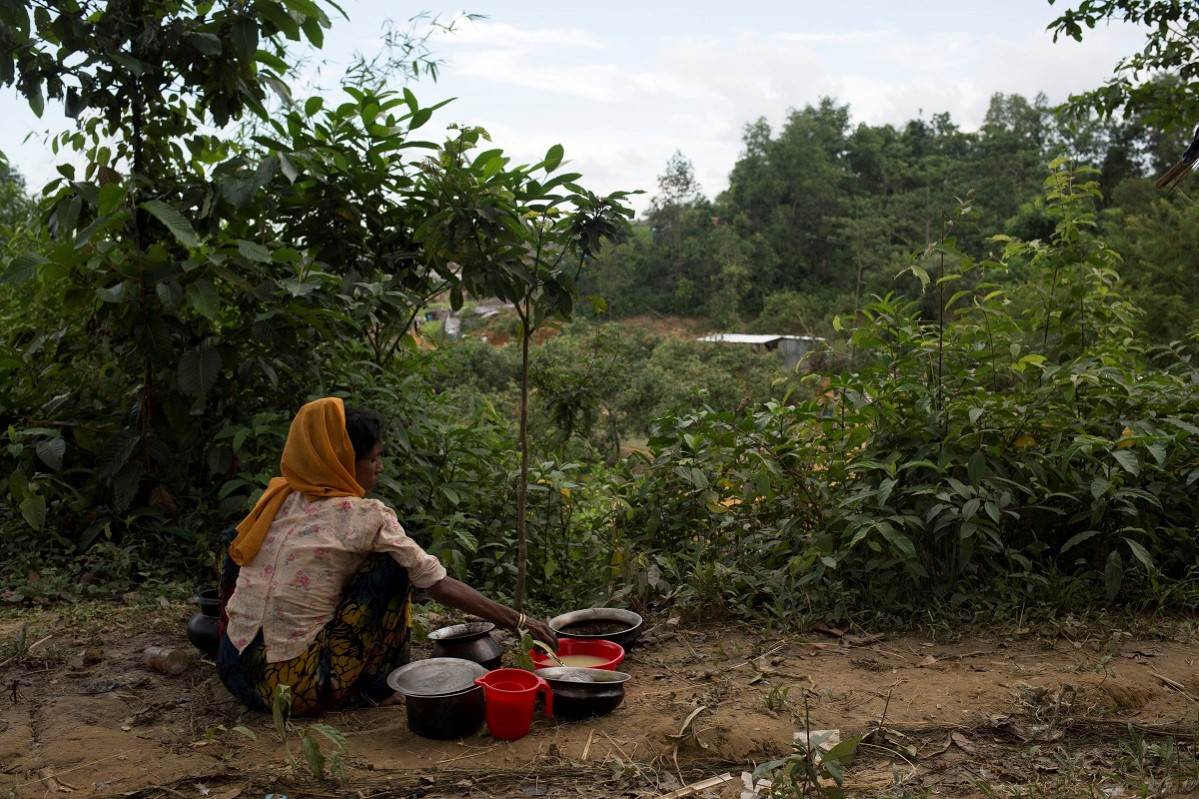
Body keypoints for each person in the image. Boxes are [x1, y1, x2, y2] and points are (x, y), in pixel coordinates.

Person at [216, 397, 557, 716]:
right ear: (343, 462)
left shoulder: (278, 498)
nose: (379, 467)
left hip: (234, 674)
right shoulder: (366, 515)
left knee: (237, 539)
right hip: (296, 691)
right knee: (394, 565)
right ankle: (379, 687)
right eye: (373, 458)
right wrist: (520, 621)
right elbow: (435, 582)